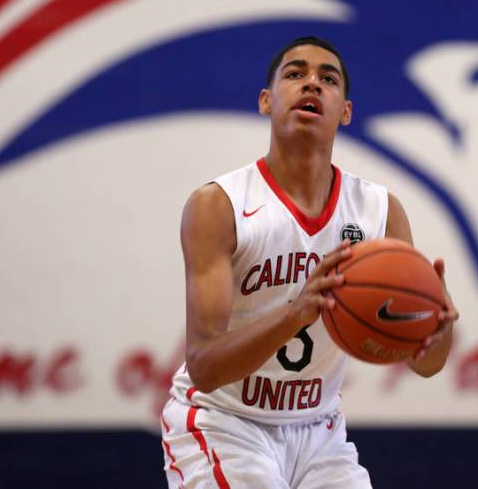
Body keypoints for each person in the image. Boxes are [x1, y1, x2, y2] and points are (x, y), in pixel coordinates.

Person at [160, 36, 459, 488]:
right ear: (266, 101)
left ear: (346, 111)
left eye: (328, 78)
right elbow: (203, 366)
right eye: (295, 74)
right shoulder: (219, 206)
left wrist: (436, 326)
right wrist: (296, 312)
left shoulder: (378, 210)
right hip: (223, 421)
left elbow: (427, 363)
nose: (312, 84)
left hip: (319, 431)